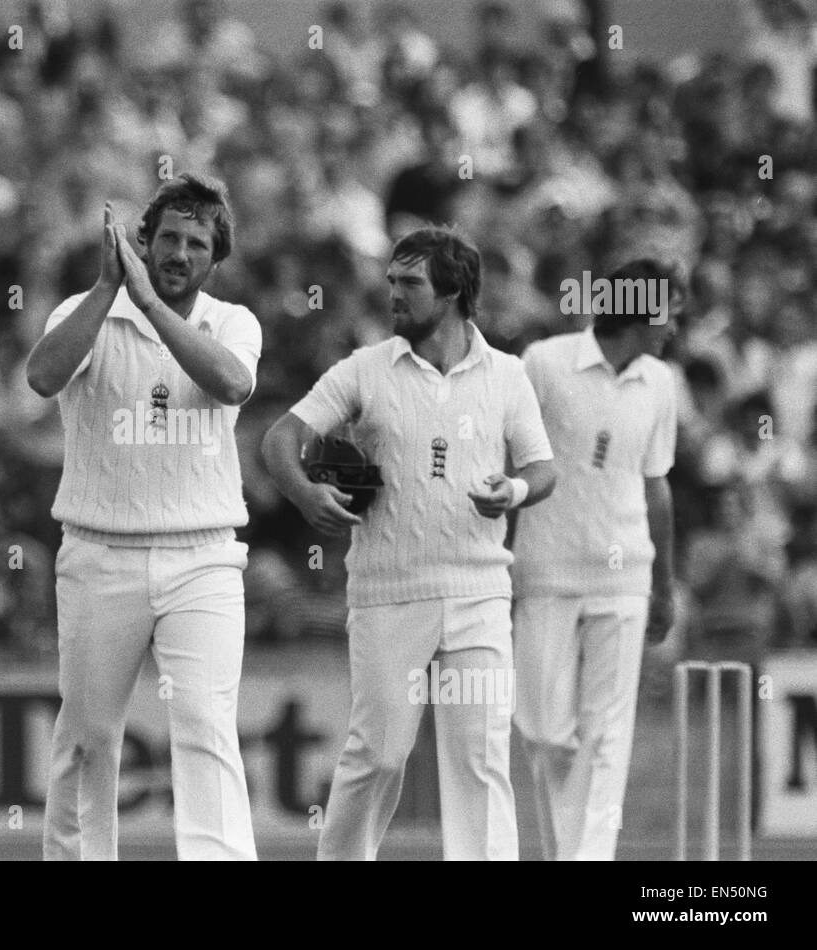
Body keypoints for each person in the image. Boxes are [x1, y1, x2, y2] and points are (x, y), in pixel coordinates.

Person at [262, 227, 556, 860]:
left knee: (480, 757)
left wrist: (515, 491)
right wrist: (306, 494)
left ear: (451, 292)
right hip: (387, 594)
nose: (393, 294)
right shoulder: (366, 369)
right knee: (380, 754)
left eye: (409, 284)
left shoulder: (507, 375)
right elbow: (280, 439)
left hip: (479, 590)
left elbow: (543, 468)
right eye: (392, 281)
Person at [27, 173, 261, 860]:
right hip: (100, 554)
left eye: (196, 243)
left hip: (205, 556)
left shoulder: (232, 321)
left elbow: (231, 384)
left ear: (214, 259)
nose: (179, 253)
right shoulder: (85, 310)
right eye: (168, 238)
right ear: (143, 241)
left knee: (204, 723)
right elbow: (41, 378)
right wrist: (108, 293)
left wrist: (153, 306)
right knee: (88, 736)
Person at [508, 259, 680, 861]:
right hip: (545, 569)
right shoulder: (545, 363)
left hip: (626, 572)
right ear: (640, 309)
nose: (673, 325)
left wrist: (664, 585)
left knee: (608, 736)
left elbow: (656, 485)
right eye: (667, 310)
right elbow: (512, 462)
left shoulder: (662, 381)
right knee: (544, 731)